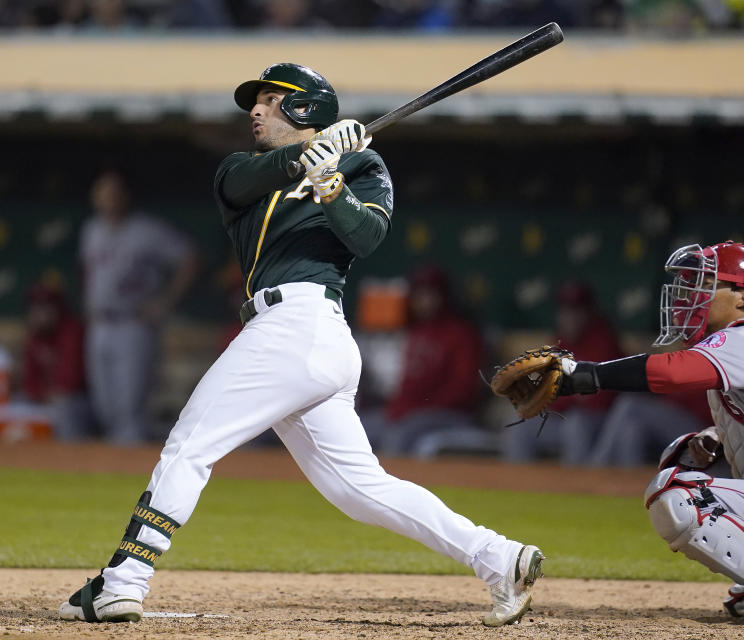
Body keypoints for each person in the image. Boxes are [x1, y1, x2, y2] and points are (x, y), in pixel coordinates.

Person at [59, 63, 544, 627]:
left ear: (307, 107)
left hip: (306, 328)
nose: (256, 111)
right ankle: (499, 558)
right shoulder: (241, 170)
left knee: (190, 446)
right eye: (254, 103)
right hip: (291, 337)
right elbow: (246, 180)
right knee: (359, 491)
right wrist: (305, 156)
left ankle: (123, 581)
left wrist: (333, 183)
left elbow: (365, 236)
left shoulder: (363, 163)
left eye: (270, 99)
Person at [546, 241, 744, 623]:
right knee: (680, 469)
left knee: (676, 494)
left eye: (705, 284)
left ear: (743, 294)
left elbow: (673, 372)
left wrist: (589, 374)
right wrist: (712, 439)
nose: (690, 297)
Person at [79, 169, 198, 444]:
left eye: (112, 192)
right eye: (101, 192)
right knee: (104, 407)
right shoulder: (92, 229)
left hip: (133, 324)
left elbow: (189, 257)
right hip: (99, 325)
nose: (107, 198)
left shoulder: (146, 230)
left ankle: (129, 474)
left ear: (125, 196)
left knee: (129, 411)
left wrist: (166, 301)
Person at [360, 265, 488, 457]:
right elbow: (406, 385)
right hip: (410, 412)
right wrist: (401, 407)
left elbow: (463, 390)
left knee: (399, 436)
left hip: (450, 414)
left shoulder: (461, 333)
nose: (423, 301)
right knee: (359, 428)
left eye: (429, 294)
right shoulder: (416, 331)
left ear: (443, 296)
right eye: (418, 295)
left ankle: (396, 487)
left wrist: (415, 408)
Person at [502, 281, 622, 464]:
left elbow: (599, 399)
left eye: (576, 311)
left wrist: (565, 394)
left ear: (589, 312)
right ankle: (517, 485)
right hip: (566, 417)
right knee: (520, 423)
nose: (570, 317)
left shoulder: (604, 341)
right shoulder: (559, 342)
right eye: (565, 311)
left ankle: (578, 487)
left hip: (599, 424)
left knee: (576, 424)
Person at [20, 281, 90, 441]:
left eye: (45, 307)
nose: (40, 314)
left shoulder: (72, 330)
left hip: (79, 401)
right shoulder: (34, 335)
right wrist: (39, 393)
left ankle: (68, 456)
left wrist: (43, 393)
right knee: (20, 402)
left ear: (56, 308)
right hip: (46, 397)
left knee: (63, 406)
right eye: (35, 308)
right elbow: (28, 380)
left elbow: (70, 382)